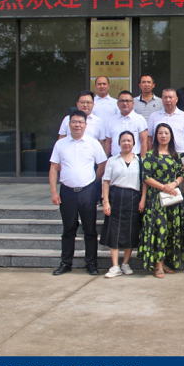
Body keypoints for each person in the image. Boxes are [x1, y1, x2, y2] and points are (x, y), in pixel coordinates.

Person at [49, 110, 107, 276]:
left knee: (90, 230)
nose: (77, 125)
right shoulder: (60, 144)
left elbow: (102, 165)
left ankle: (91, 264)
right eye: (74, 122)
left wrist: (92, 182)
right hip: (67, 192)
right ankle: (66, 263)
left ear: (85, 125)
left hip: (87, 192)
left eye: (80, 122)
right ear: (69, 124)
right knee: (68, 229)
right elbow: (53, 168)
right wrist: (54, 192)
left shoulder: (92, 143)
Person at [139, 123, 184, 277]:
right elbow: (145, 177)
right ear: (156, 136)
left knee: (170, 229)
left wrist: (173, 184)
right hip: (156, 198)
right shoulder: (150, 155)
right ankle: (157, 264)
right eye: (160, 133)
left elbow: (182, 174)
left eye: (166, 133)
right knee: (158, 229)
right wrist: (163, 187)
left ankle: (165, 261)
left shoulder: (175, 155)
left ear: (171, 136)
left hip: (172, 198)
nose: (163, 136)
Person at [101, 131, 146, 278]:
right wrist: (106, 201)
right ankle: (115, 266)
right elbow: (106, 182)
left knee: (131, 230)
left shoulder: (140, 161)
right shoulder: (112, 160)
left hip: (133, 198)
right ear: (119, 143)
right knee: (114, 231)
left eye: (129, 140)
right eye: (123, 141)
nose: (126, 143)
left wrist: (143, 199)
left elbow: (144, 182)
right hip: (115, 197)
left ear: (134, 143)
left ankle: (125, 263)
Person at [147, 89, 184, 189]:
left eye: (170, 97)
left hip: (178, 156)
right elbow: (149, 138)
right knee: (158, 188)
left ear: (176, 99)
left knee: (177, 190)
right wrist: (150, 156)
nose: (168, 100)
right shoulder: (154, 116)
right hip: (158, 157)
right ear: (161, 99)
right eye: (165, 97)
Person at [104, 90, 148, 158]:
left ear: (133, 103)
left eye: (127, 101)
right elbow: (108, 142)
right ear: (118, 103)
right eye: (122, 101)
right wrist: (105, 159)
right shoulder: (112, 120)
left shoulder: (139, 119)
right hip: (115, 158)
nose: (124, 103)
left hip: (134, 159)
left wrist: (142, 160)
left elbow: (144, 142)